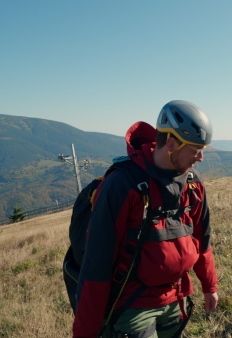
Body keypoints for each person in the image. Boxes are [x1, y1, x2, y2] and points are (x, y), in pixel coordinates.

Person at [73, 100, 218, 338]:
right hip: (133, 305)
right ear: (171, 143)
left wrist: (209, 286)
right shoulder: (122, 186)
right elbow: (97, 263)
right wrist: (85, 332)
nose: (201, 157)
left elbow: (202, 239)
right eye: (195, 149)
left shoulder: (193, 184)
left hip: (176, 299)